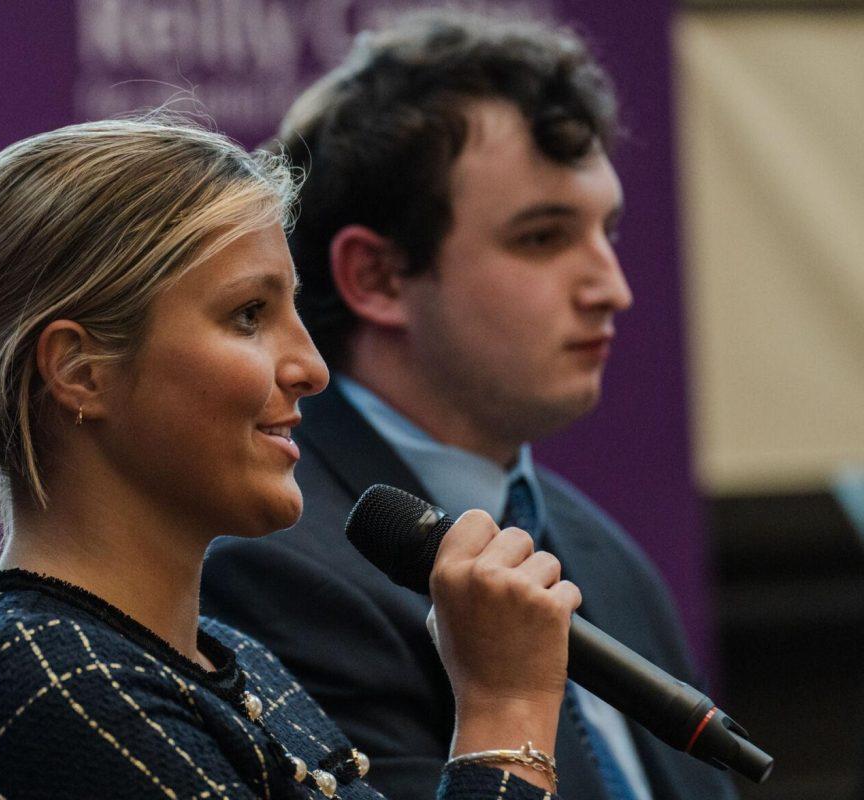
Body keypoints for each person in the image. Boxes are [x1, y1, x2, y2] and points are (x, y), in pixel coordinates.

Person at [0, 118, 587, 799]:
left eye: (292, 310)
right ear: (80, 370)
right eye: (247, 316)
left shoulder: (226, 658)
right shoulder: (42, 687)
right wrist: (505, 710)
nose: (310, 366)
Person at [201, 10, 739, 800]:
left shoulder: (599, 552)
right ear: (378, 277)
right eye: (543, 238)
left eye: (608, 233)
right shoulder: (275, 567)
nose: (611, 290)